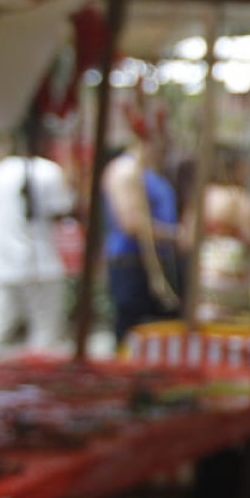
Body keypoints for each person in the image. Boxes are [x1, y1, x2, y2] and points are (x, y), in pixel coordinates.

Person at [0, 124, 74, 367]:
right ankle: (36, 375)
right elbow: (59, 211)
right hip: (40, 263)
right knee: (45, 330)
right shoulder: (49, 171)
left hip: (4, 262)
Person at [101, 102, 181, 344]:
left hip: (155, 264)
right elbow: (131, 223)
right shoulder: (126, 170)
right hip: (133, 266)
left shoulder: (152, 171)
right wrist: (177, 235)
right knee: (134, 337)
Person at [193, 146, 250, 320]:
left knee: (206, 320)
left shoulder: (206, 195)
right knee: (232, 321)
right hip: (233, 271)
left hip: (206, 270)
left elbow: (189, 235)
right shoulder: (242, 198)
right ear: (236, 168)